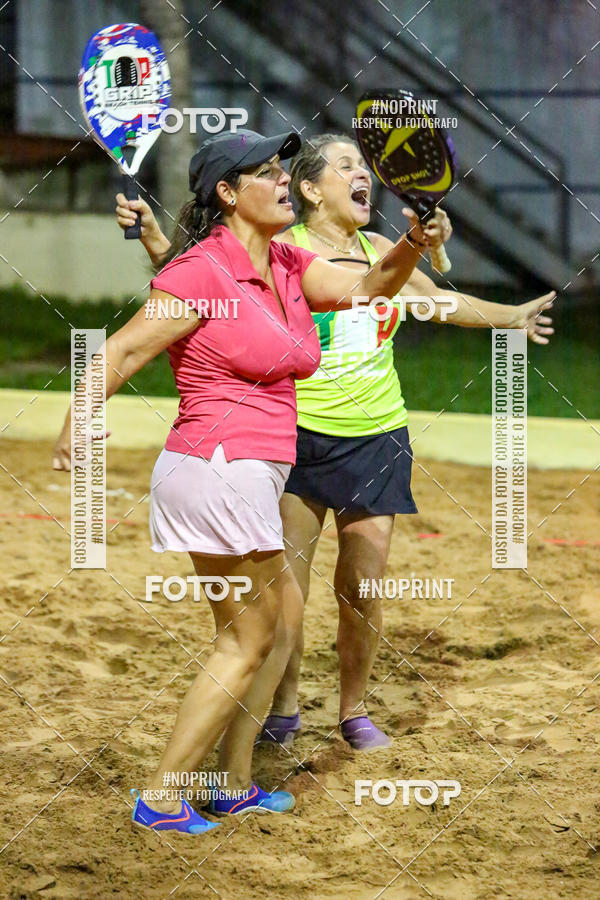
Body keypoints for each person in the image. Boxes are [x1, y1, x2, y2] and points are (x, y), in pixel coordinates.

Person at [116, 132, 555, 753]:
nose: (363, 175)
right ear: (310, 187)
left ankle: (354, 709)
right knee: (284, 600)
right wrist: (157, 243)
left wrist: (509, 314)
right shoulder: (281, 246)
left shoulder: (380, 248)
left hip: (377, 435)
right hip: (295, 437)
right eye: (345, 165)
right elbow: (202, 287)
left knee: (361, 588)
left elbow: (437, 300)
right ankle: (284, 705)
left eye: (364, 166)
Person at [54, 129, 433, 834]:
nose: (283, 178)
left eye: (283, 169)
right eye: (265, 172)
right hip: (217, 468)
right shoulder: (205, 270)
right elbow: (126, 346)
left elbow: (370, 287)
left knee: (275, 623)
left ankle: (228, 785)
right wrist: (79, 417)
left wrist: (411, 244)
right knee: (245, 641)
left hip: (245, 472)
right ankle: (163, 798)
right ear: (227, 194)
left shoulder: (288, 263)